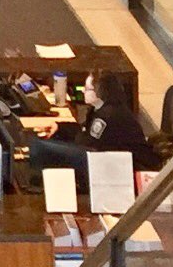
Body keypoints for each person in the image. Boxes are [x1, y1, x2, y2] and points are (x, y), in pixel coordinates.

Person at [16, 70, 161, 190]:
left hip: (120, 167)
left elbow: (87, 143)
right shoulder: (104, 108)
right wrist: (60, 127)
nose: (83, 91)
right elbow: (86, 133)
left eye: (87, 89)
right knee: (53, 142)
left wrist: (65, 135)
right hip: (109, 158)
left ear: (100, 93)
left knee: (40, 147)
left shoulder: (106, 116)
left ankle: (33, 181)